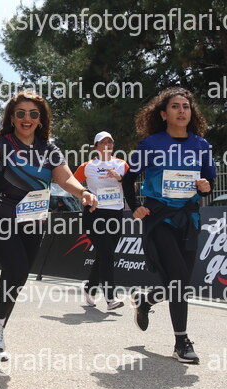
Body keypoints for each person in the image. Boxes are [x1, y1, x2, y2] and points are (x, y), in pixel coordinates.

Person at [0, 91, 97, 360]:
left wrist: (83, 192)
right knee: (17, 268)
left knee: (18, 276)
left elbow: (65, 178)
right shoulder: (3, 143)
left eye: (33, 114)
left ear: (40, 119)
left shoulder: (49, 150)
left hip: (34, 221)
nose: (27, 118)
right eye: (20, 113)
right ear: (12, 118)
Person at [122, 87, 215, 364]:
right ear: (163, 114)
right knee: (178, 277)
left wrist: (205, 186)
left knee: (180, 282)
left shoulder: (201, 145)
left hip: (189, 218)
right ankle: (181, 341)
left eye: (186, 106)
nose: (181, 111)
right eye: (175, 106)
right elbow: (129, 178)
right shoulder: (151, 144)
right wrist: (134, 205)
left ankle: (146, 300)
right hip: (159, 217)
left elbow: (208, 182)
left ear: (191, 112)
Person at [74, 131, 128, 311]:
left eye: (110, 142)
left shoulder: (121, 164)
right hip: (94, 214)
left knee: (104, 254)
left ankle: (90, 288)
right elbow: (71, 184)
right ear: (96, 146)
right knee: (107, 254)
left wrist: (120, 178)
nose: (107, 145)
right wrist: (84, 195)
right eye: (103, 142)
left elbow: (132, 187)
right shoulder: (88, 166)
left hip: (116, 214)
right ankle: (111, 297)